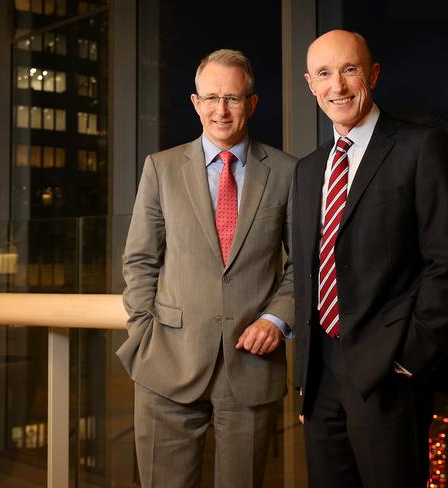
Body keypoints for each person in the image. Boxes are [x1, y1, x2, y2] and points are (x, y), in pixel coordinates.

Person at [292, 30, 448, 487]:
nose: (338, 86)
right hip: (321, 381)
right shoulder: (308, 168)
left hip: (389, 376)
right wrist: (306, 380)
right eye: (324, 74)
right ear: (309, 85)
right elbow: (305, 270)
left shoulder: (421, 148)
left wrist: (406, 360)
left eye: (349, 69)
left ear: (372, 74)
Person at [116, 49, 295, 488]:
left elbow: (304, 266)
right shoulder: (160, 168)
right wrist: (142, 332)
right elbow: (140, 260)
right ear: (195, 103)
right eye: (211, 97)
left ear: (251, 104)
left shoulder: (288, 172)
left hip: (251, 365)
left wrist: (277, 318)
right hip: (166, 362)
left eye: (233, 98)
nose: (221, 109)